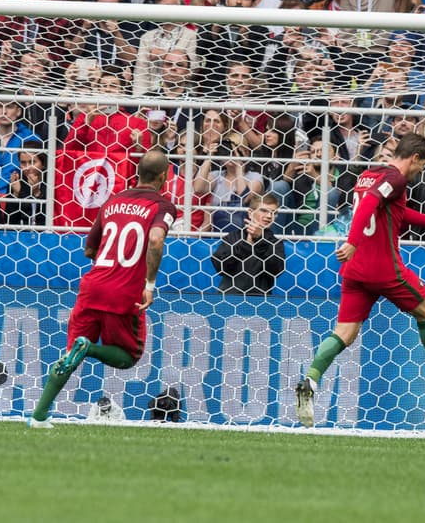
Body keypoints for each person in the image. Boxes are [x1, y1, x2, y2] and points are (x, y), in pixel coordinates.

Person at [295, 133, 425, 428]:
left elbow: (395, 211)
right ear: (415, 158)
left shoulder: (369, 174)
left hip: (354, 270)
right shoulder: (396, 178)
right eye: (421, 167)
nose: (418, 173)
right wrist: (353, 241)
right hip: (383, 268)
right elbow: (371, 204)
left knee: (344, 333)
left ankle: (310, 380)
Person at [28, 148, 177, 427]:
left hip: (92, 286)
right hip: (124, 294)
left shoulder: (112, 202)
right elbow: (156, 240)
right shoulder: (163, 206)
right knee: (128, 357)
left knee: (69, 355)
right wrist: (150, 284)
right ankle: (90, 348)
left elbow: (89, 249)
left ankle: (38, 416)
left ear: (137, 173)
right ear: (164, 176)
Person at [213, 192, 285, 296]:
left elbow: (275, 271)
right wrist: (247, 244)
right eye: (264, 211)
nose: (269, 216)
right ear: (250, 213)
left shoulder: (275, 243)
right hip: (229, 300)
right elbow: (221, 268)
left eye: (274, 213)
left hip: (260, 303)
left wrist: (260, 240)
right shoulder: (233, 237)